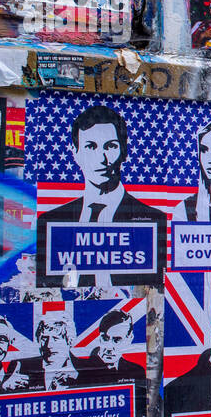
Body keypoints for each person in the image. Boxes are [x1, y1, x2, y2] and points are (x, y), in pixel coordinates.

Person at [36, 105, 167, 287]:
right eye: (91, 146)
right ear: (76, 154)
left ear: (124, 151)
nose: (102, 158)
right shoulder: (50, 221)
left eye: (110, 146)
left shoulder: (153, 219)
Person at [79, 309, 146, 386]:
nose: (109, 347)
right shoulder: (82, 369)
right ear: (99, 338)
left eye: (117, 340)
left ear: (129, 339)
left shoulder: (137, 371)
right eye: (105, 338)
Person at [24, 313, 81, 391]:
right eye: (44, 339)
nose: (49, 345)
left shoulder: (84, 371)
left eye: (56, 339)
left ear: (69, 342)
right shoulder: (23, 369)